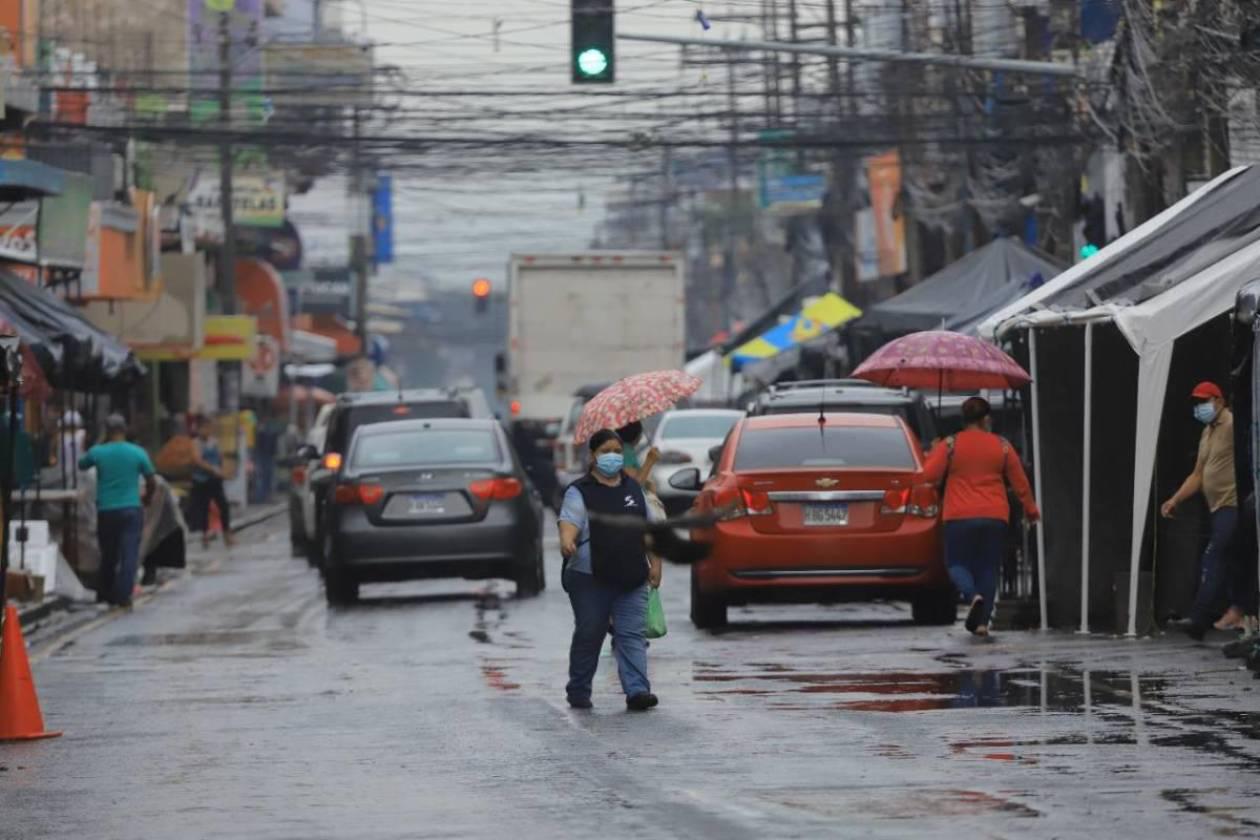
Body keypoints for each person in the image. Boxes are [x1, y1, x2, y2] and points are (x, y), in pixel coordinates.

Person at [559, 428, 663, 711]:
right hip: (589, 577)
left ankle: (638, 691)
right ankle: (579, 689)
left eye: (617, 452)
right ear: (593, 456)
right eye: (606, 452)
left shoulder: (633, 489)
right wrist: (567, 541)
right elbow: (570, 521)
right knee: (590, 632)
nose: (613, 458)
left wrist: (656, 563)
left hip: (631, 577)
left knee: (631, 635)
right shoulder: (579, 491)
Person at [923, 397, 1040, 637]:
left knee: (956, 563)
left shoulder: (950, 444)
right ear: (986, 419)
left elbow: (929, 475)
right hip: (994, 516)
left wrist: (936, 450)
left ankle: (971, 595)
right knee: (987, 568)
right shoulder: (1003, 445)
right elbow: (1020, 483)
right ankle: (982, 623)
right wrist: (1031, 510)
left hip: (959, 516)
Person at [1161, 381, 1241, 639]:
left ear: (1219, 401)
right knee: (1227, 562)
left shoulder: (1232, 426)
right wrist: (1175, 500)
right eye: (1197, 403)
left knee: (1213, 558)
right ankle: (1234, 613)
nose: (1200, 407)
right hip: (1215, 507)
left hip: (1232, 504)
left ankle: (1199, 619)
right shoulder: (1208, 432)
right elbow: (1198, 475)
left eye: (1204, 401)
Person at [78, 414, 156, 608]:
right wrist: (146, 497)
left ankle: (105, 593)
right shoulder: (137, 452)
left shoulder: (99, 452)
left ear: (107, 431)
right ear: (124, 430)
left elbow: (82, 464)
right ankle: (123, 595)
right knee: (129, 553)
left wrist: (99, 445)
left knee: (109, 554)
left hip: (107, 510)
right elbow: (151, 479)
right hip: (131, 508)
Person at [190, 415, 235, 549]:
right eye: (205, 428)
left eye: (209, 428)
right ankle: (204, 535)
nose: (208, 431)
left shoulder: (214, 442)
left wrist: (225, 471)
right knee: (203, 508)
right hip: (201, 480)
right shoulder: (195, 443)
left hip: (215, 480)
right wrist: (213, 470)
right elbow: (197, 460)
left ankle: (227, 534)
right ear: (199, 429)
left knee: (224, 506)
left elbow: (221, 457)